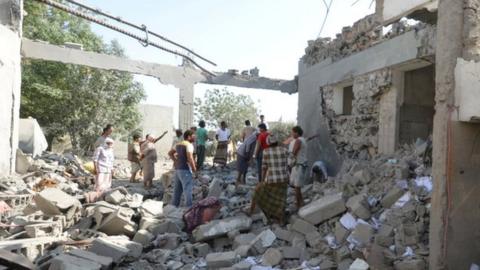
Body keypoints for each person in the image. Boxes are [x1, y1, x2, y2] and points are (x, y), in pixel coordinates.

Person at [250, 134, 289, 224]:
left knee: (258, 192)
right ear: (277, 141)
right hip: (284, 179)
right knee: (281, 199)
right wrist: (286, 168)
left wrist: (262, 181)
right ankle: (281, 219)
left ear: (268, 143)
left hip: (271, 179)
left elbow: (264, 168)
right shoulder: (284, 150)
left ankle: (252, 211)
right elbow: (293, 160)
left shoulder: (266, 151)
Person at [169, 130, 197, 208]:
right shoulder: (189, 145)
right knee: (188, 189)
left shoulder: (178, 144)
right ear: (189, 137)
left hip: (178, 169)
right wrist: (194, 170)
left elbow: (170, 153)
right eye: (193, 136)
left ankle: (173, 207)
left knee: (177, 190)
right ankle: (189, 207)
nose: (194, 138)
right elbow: (190, 158)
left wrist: (175, 161)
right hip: (185, 169)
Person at [288, 126, 308, 209]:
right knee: (297, 186)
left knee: (296, 186)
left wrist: (289, 163)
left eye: (292, 132)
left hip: (298, 165)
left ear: (296, 132)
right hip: (301, 164)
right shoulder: (303, 140)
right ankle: (301, 202)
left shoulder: (298, 141)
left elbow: (293, 153)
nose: (292, 134)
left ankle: (297, 204)